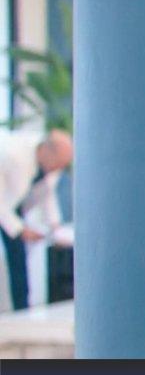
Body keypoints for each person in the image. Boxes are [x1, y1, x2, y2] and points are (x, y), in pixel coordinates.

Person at [0, 129, 72, 311]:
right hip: (4, 202)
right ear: (48, 151)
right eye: (59, 164)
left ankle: (21, 308)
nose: (59, 169)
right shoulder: (13, 156)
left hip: (11, 204)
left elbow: (47, 194)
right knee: (16, 250)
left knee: (18, 258)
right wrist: (20, 229)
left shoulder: (47, 166)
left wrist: (55, 227)